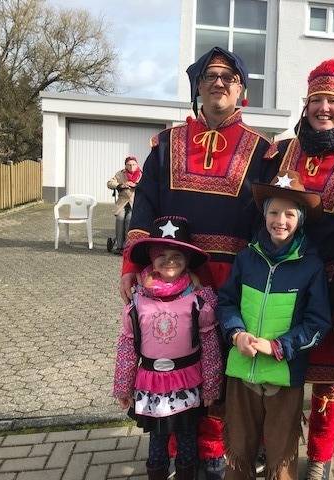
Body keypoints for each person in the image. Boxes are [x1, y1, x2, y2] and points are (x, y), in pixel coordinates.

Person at [118, 46, 277, 479]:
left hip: (234, 282)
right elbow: (144, 206)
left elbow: (268, 223)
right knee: (173, 365)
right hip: (173, 281)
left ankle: (216, 454)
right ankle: (177, 452)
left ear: (242, 90)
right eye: (210, 76)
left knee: (223, 373)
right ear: (197, 87)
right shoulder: (165, 145)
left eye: (228, 76)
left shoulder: (263, 151)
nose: (218, 82)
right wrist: (131, 266)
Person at [263, 59, 334, 480]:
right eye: (317, 100)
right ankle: (278, 451)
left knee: (329, 380)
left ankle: (320, 457)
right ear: (306, 105)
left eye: (332, 101)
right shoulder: (280, 151)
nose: (324, 108)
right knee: (278, 370)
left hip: (332, 283)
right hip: (282, 281)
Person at [218, 170, 332, 480]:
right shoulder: (246, 258)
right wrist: (236, 333)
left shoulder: (311, 266)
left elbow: (318, 323)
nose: (280, 220)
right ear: (264, 215)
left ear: (300, 220)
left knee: (281, 457)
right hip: (242, 371)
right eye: (274, 212)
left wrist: (279, 346)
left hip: (284, 375)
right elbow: (226, 302)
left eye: (289, 214)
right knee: (238, 451)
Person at [112, 216, 223, 480]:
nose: (169, 261)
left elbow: (210, 347)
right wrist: (123, 386)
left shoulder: (198, 300)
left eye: (176, 255)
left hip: (187, 381)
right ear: (151, 258)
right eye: (161, 255)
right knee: (157, 442)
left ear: (187, 259)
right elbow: (127, 348)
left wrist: (211, 386)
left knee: (187, 439)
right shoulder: (138, 300)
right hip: (151, 383)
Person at [107, 156, 142, 253]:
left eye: (134, 164)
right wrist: (120, 185)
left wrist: (136, 185)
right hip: (122, 202)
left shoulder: (141, 174)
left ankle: (127, 246)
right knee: (120, 218)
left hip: (135, 203)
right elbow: (110, 183)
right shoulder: (120, 174)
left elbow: (147, 185)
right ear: (125, 165)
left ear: (137, 165)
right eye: (129, 165)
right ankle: (119, 246)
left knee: (129, 219)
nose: (131, 167)